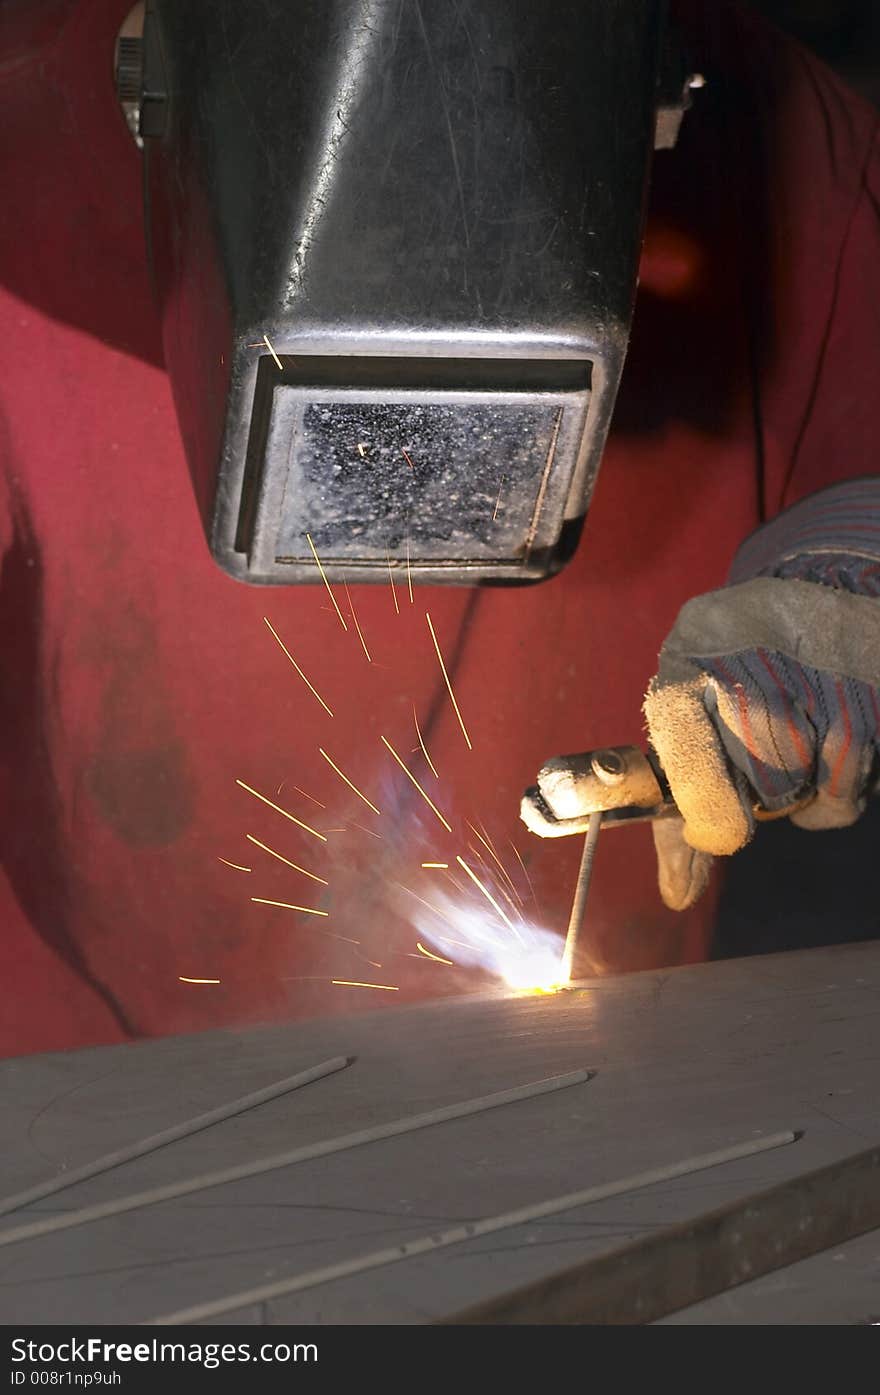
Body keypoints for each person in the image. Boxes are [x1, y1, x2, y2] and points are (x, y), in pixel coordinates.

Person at [1, 0, 878, 1057]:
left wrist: (843, 582)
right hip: (92, 1078)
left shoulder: (782, 141)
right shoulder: (28, 148)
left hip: (580, 1071)